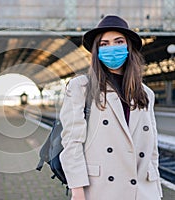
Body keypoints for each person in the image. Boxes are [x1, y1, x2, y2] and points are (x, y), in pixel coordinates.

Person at [59, 15, 163, 200]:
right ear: (96, 51)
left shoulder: (146, 93)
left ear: (129, 47)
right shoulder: (81, 87)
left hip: (143, 191)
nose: (111, 48)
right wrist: (77, 191)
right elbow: (72, 143)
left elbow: (151, 147)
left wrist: (155, 189)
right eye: (104, 44)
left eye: (118, 42)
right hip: (101, 189)